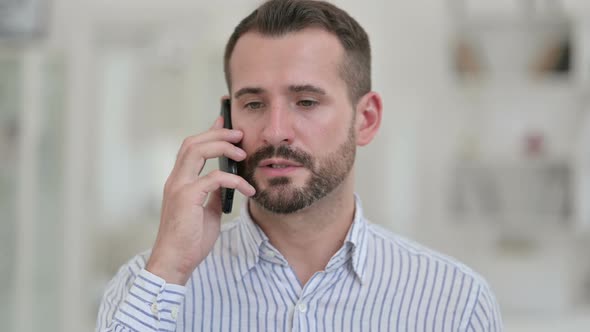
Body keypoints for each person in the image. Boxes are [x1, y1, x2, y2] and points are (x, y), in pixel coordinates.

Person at [96, 0, 502, 331]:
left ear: (366, 119)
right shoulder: (145, 286)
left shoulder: (455, 303)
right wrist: (170, 267)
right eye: (253, 104)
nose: (275, 132)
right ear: (228, 116)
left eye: (306, 102)